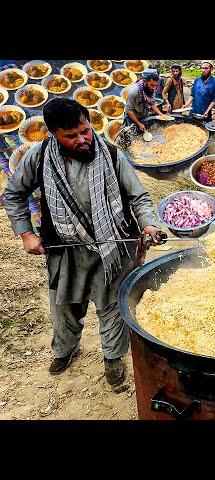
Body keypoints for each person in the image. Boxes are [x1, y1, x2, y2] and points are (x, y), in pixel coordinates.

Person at [3, 98, 161, 388]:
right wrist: (26, 232)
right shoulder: (38, 158)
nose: (82, 140)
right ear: (53, 134)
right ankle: (65, 351)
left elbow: (138, 197)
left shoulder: (112, 155)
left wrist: (148, 224)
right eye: (71, 136)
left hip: (112, 249)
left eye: (85, 131)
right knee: (64, 307)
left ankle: (113, 361)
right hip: (65, 251)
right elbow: (13, 195)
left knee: (113, 307)